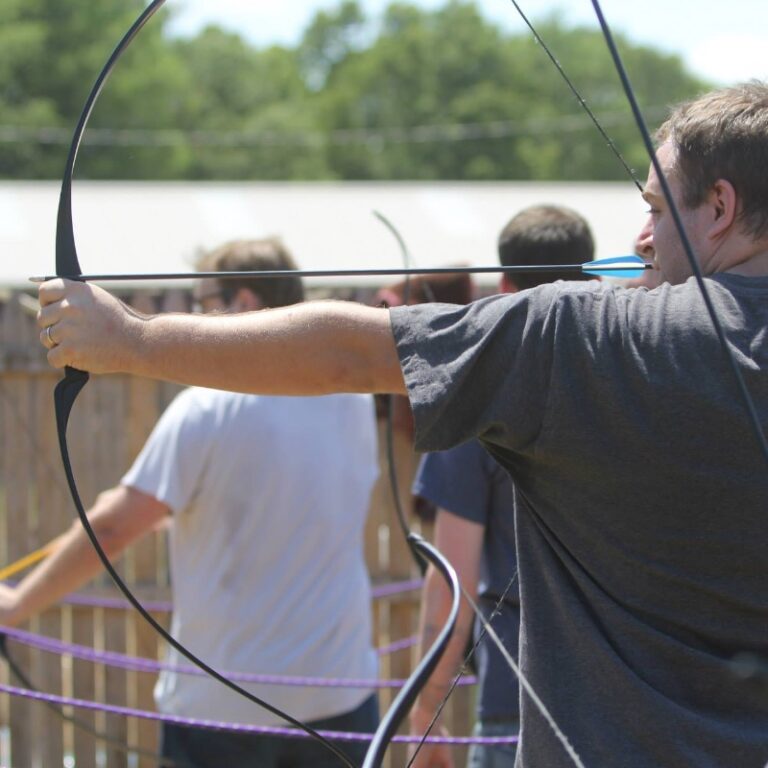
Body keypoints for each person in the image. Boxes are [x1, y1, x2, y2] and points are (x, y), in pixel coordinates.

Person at [37, 82, 768, 767]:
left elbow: (349, 353)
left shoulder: (588, 338)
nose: (642, 237)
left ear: (720, 207)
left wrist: (130, 339)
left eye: (658, 208)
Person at [8, 238, 382, 768]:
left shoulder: (206, 408)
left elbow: (113, 529)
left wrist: (17, 605)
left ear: (244, 303)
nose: (196, 315)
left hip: (224, 713)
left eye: (206, 301)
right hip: (340, 699)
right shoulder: (356, 403)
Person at [408, 205, 596, 768]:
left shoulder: (479, 406)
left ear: (506, 287)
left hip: (519, 696)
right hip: (635, 699)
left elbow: (451, 586)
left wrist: (425, 711)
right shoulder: (634, 382)